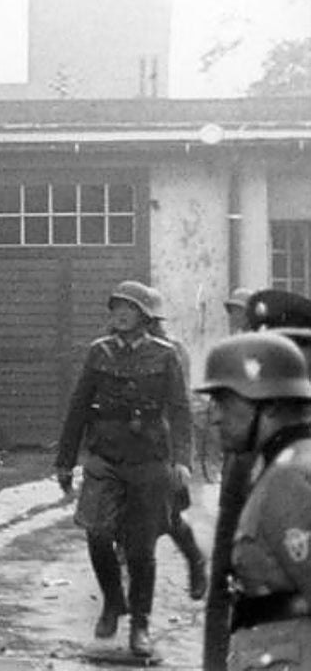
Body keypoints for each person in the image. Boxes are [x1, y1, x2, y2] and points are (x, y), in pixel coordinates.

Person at [54, 279, 192, 657]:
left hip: (149, 460)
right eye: (116, 307)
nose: (120, 313)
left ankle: (141, 625)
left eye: (128, 308)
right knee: (97, 534)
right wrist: (65, 462)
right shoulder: (98, 353)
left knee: (141, 548)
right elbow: (78, 408)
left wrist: (182, 460)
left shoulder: (165, 355)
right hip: (105, 457)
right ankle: (114, 601)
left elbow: (180, 411)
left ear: (145, 317)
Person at [197, 331, 311, 670]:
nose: (215, 416)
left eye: (224, 401)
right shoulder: (281, 464)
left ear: (270, 405)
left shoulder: (291, 478)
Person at [141, 287, 207, 602]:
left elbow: (179, 407)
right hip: (131, 447)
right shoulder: (119, 347)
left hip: (162, 445)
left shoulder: (172, 351)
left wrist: (182, 457)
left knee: (167, 518)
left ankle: (195, 560)